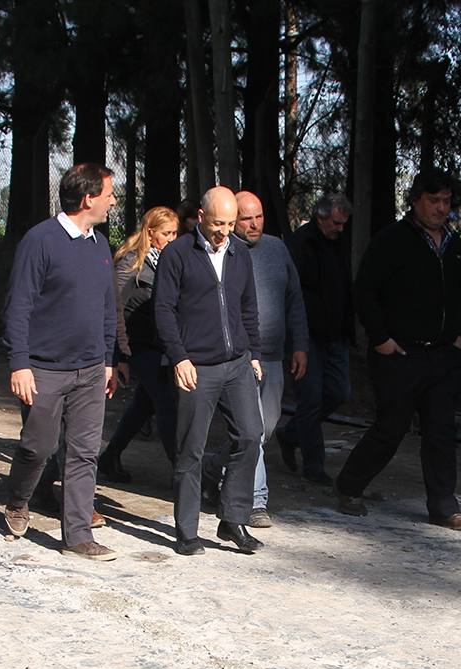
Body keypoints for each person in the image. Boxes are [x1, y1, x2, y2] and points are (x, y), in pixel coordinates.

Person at [334, 168, 461, 531]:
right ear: (415, 201)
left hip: (444, 355)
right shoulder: (392, 241)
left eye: (446, 201)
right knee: (391, 428)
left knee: (441, 431)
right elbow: (365, 292)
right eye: (433, 200)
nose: (441, 208)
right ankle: (349, 486)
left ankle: (444, 507)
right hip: (400, 355)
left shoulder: (454, 244)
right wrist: (380, 339)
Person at [1, 163, 120, 561]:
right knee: (38, 447)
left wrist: (108, 359)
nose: (113, 201)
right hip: (43, 369)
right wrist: (19, 363)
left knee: (84, 452)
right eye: (108, 194)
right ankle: (18, 499)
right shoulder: (41, 241)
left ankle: (77, 536)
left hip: (91, 370)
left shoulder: (99, 244)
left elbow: (108, 307)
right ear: (88, 198)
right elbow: (18, 305)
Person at [152, 186, 265, 556]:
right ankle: (186, 531)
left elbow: (248, 307)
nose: (225, 231)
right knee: (190, 450)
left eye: (231, 224)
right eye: (218, 223)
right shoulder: (177, 254)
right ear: (200, 217)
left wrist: (254, 353)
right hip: (196, 366)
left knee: (250, 436)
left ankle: (233, 519)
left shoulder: (239, 252)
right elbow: (163, 310)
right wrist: (179, 357)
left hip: (238, 363)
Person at [205, 191, 308, 528]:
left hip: (274, 355)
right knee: (253, 428)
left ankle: (214, 466)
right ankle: (256, 501)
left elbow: (294, 299)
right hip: (241, 357)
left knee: (263, 431)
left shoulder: (277, 249)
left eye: (259, 216)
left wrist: (300, 344)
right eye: (246, 218)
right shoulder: (224, 252)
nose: (254, 224)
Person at [276, 193, 355, 485]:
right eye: (336, 222)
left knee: (339, 392)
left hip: (335, 334)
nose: (340, 228)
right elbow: (289, 294)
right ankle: (314, 466)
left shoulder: (339, 243)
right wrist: (297, 339)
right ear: (320, 217)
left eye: (343, 223)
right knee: (310, 398)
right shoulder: (299, 245)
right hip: (306, 335)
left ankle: (290, 434)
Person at [98, 206, 180, 480]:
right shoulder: (131, 262)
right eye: (166, 233)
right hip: (137, 344)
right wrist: (117, 355)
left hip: (159, 344)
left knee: (146, 403)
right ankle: (182, 470)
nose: (171, 238)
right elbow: (114, 308)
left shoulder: (168, 261)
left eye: (175, 233)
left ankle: (110, 455)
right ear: (150, 232)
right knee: (166, 402)